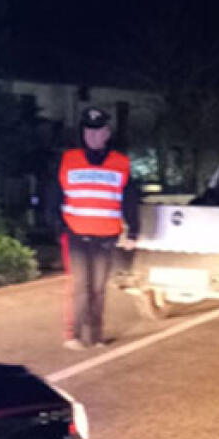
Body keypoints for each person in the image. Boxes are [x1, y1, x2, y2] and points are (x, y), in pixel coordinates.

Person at [49, 107, 141, 349]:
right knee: (80, 286)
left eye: (97, 131)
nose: (92, 135)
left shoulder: (120, 163)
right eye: (88, 131)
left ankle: (96, 336)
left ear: (107, 133)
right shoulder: (69, 159)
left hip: (106, 236)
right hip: (76, 234)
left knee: (99, 288)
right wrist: (58, 225)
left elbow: (129, 200)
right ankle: (74, 335)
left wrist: (133, 231)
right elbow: (53, 195)